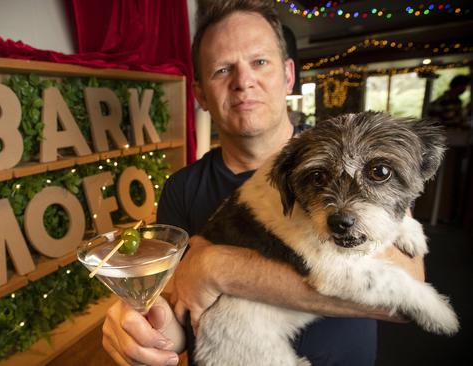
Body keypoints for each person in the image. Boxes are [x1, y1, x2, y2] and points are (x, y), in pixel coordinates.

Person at [101, 1, 425, 365]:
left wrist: (217, 268)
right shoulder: (181, 188)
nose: (243, 82)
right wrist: (145, 333)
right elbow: (181, 310)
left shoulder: (358, 161)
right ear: (201, 95)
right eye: (222, 69)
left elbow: (405, 292)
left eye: (259, 62)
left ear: (288, 75)